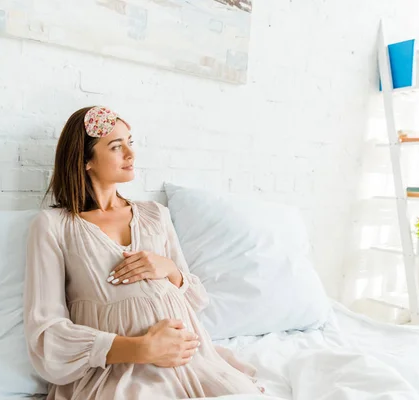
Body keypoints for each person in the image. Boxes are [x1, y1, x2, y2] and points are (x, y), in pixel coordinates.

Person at [23, 106, 264, 399]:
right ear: (85, 160)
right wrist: (142, 349)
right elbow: (46, 332)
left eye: (130, 142)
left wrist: (169, 270)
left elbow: (197, 299)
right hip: (120, 370)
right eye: (116, 146)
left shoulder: (155, 215)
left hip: (192, 358)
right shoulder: (54, 226)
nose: (130, 154)